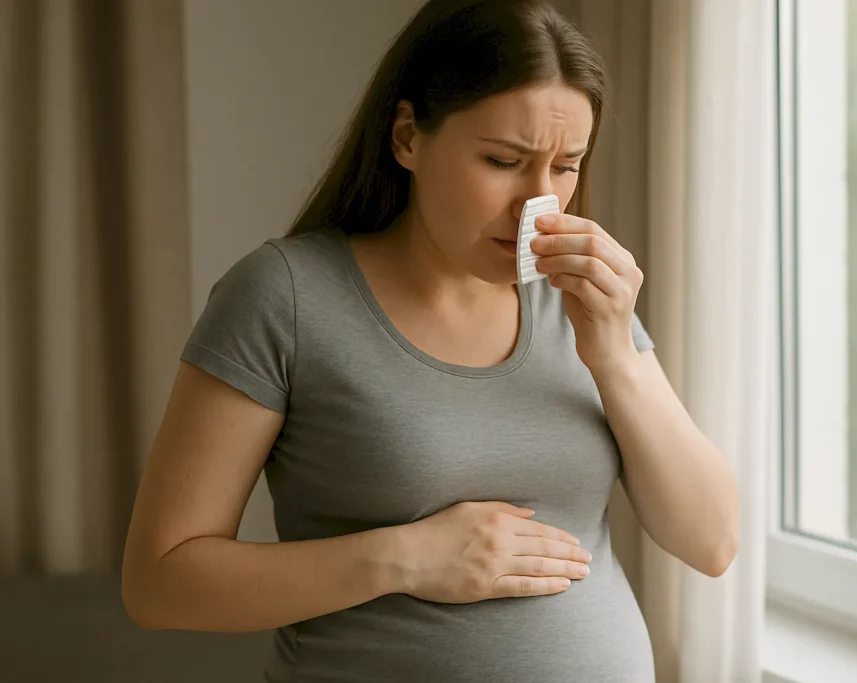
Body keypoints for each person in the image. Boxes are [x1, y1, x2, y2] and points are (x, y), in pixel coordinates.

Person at [121, 0, 738, 680]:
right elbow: (159, 582)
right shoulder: (285, 297)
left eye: (566, 166)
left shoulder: (584, 303)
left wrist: (616, 355)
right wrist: (408, 557)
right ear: (408, 137)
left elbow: (711, 543)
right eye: (503, 160)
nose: (538, 205)